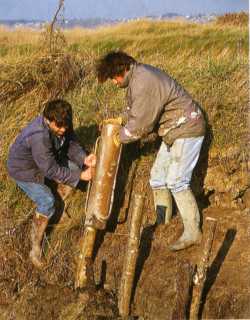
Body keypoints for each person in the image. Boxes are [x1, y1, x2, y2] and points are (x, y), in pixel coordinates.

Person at [96, 51, 206, 251]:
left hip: (187, 128)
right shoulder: (136, 77)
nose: (113, 82)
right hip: (173, 130)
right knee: (157, 177)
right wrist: (120, 120)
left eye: (112, 77)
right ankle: (163, 224)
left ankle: (193, 232)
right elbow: (133, 110)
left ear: (121, 70)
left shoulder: (143, 81)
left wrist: (119, 137)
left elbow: (142, 125)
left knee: (177, 181)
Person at [7, 99, 96, 268]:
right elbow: (51, 170)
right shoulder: (39, 136)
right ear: (48, 120)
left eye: (66, 126)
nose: (63, 130)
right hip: (24, 170)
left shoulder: (63, 124)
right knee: (46, 200)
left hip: (46, 160)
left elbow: (71, 144)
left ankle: (58, 208)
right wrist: (80, 177)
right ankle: (35, 249)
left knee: (75, 167)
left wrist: (84, 158)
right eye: (59, 126)